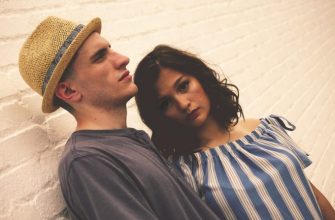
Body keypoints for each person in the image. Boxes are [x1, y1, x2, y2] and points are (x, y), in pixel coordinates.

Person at [18, 17, 221, 220]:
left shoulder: (129, 140)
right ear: (69, 90)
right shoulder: (89, 162)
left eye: (110, 49)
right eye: (99, 57)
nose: (122, 59)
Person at [134, 44, 335, 219]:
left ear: (200, 78)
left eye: (184, 86)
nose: (183, 103)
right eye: (166, 103)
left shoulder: (265, 129)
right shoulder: (185, 172)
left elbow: (312, 194)